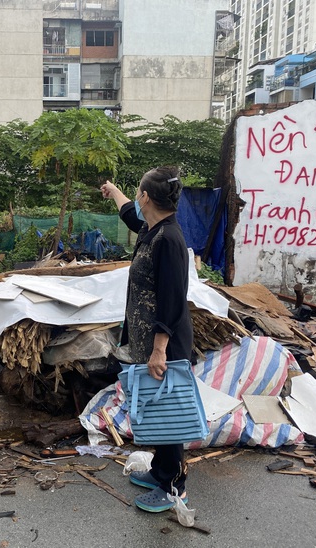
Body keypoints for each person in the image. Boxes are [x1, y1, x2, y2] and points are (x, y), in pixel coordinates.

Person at [101, 167, 193, 513]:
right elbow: (129, 214)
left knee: (167, 413)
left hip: (165, 344)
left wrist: (159, 350)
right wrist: (114, 191)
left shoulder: (169, 240)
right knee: (155, 408)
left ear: (147, 198)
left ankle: (174, 487)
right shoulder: (151, 228)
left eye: (137, 193)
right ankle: (160, 471)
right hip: (149, 341)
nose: (135, 200)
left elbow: (172, 298)